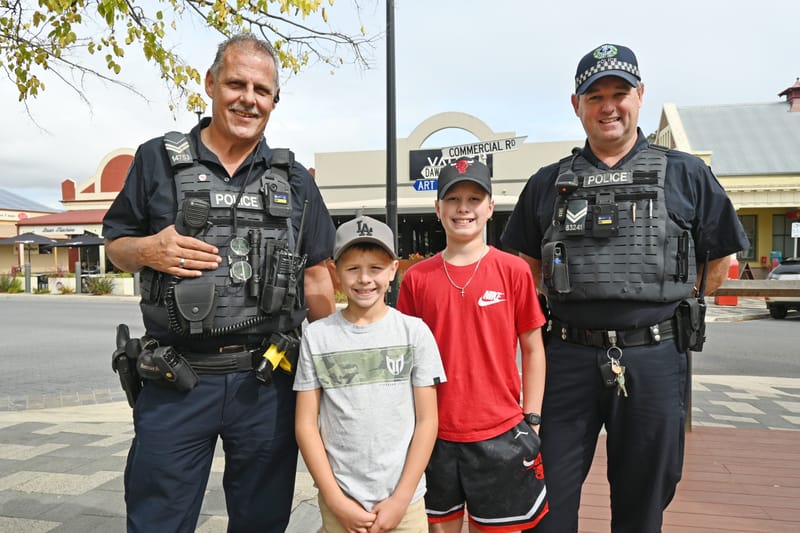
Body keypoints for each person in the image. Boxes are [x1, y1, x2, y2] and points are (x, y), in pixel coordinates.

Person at [501, 44, 749, 533]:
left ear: (640, 96)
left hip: (654, 355)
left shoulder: (686, 174)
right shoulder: (547, 183)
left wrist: (662, 298)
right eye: (595, 96)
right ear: (577, 105)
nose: (608, 106)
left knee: (644, 501)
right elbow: (524, 269)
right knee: (545, 500)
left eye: (620, 93)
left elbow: (721, 261)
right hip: (566, 357)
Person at [102, 33, 336, 533]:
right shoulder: (156, 160)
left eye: (262, 90)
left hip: (268, 382)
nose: (248, 98)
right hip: (175, 380)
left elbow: (318, 275)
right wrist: (148, 250)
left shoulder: (295, 178)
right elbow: (116, 245)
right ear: (210, 84)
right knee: (157, 520)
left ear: (274, 100)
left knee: (262, 521)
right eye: (236, 83)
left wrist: (339, 365)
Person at [397, 158, 548, 533]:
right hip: (434, 435)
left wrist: (532, 418)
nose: (463, 208)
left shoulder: (512, 271)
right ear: (437, 209)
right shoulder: (416, 279)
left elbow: (533, 347)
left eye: (474, 198)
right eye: (453, 199)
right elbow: (403, 358)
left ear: (490, 207)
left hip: (500, 432)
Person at [294, 215, 446, 533]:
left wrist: (401, 499)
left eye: (376, 268)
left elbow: (427, 421)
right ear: (335, 273)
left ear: (393, 270)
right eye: (353, 269)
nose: (365, 279)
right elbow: (306, 425)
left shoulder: (414, 332)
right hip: (341, 504)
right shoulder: (316, 337)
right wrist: (335, 500)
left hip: (404, 505)